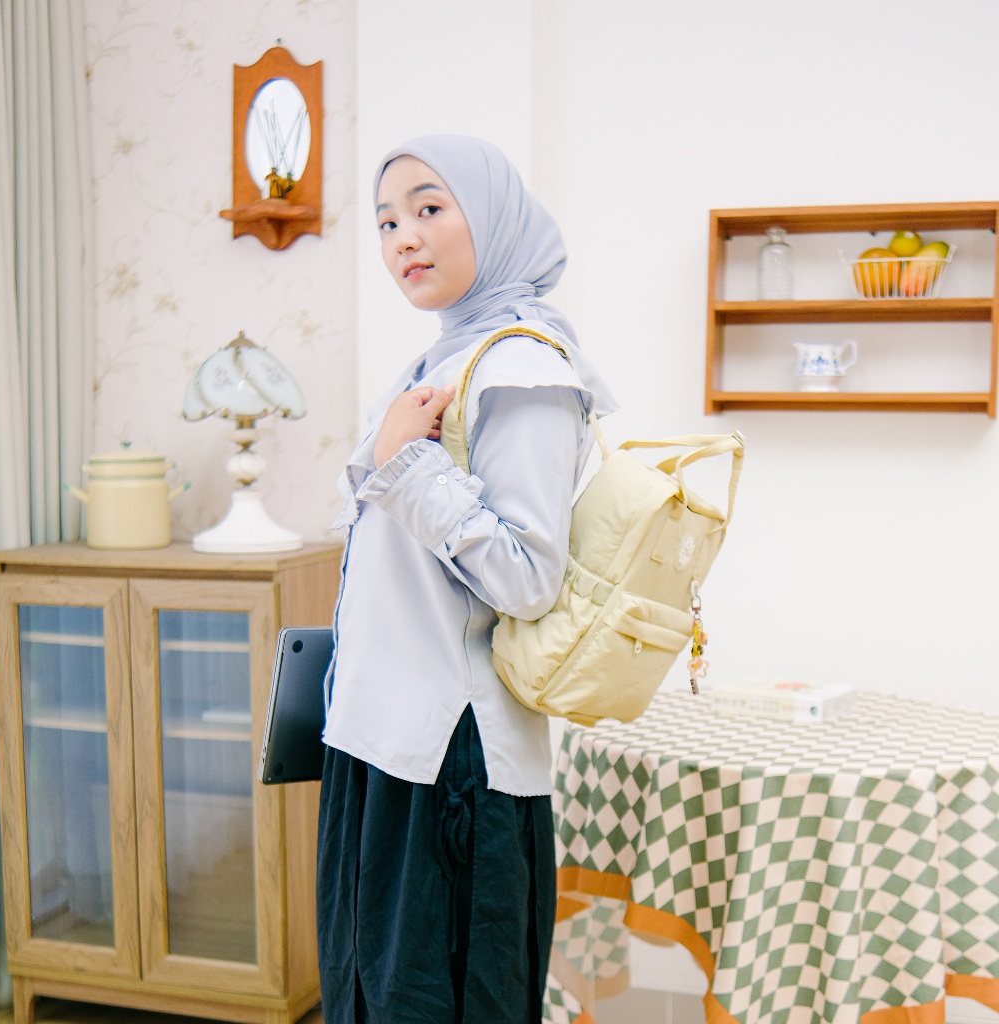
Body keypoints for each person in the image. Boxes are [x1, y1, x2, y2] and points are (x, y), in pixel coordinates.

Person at [317, 134, 617, 1024]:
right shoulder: (443, 361)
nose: (403, 237)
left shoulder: (524, 371)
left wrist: (404, 465)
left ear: (491, 216)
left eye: (429, 207)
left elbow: (526, 577)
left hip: (448, 760)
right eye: (386, 221)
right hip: (382, 745)